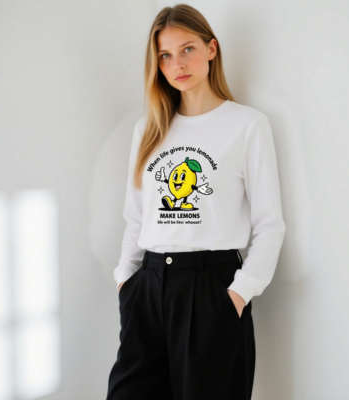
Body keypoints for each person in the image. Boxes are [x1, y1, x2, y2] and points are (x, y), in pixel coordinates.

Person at [106, 4, 286, 400]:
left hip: (211, 289)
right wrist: (126, 283)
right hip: (148, 287)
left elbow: (270, 225)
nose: (177, 64)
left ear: (211, 49)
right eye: (165, 55)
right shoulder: (148, 129)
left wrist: (237, 296)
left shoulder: (247, 125)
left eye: (187, 49)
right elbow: (135, 219)